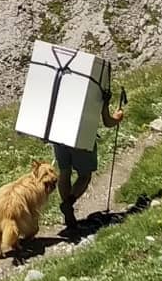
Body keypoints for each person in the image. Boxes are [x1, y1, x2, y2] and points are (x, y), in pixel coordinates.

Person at [52, 91, 125, 233]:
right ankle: (68, 204)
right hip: (82, 136)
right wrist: (118, 116)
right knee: (85, 175)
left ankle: (69, 213)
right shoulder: (96, 91)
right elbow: (108, 122)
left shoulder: (62, 90)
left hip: (58, 133)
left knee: (65, 172)